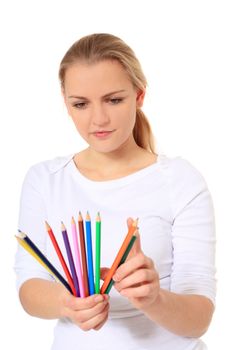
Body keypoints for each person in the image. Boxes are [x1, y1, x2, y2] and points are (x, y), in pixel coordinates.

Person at [14, 33, 216, 350]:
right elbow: (29, 287)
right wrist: (66, 302)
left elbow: (200, 318)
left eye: (114, 99)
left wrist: (154, 298)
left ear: (139, 95)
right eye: (80, 104)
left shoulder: (180, 180)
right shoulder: (45, 179)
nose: (99, 119)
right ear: (66, 105)